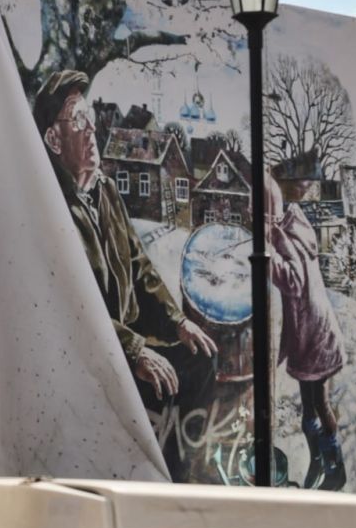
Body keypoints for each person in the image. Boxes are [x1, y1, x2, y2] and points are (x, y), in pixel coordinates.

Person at [32, 69, 218, 480]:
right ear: (54, 140)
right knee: (153, 390)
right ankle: (150, 481)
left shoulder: (106, 191)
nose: (91, 129)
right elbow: (71, 306)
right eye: (77, 119)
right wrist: (135, 352)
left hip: (126, 345)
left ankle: (177, 479)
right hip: (91, 360)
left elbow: (139, 266)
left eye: (90, 117)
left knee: (201, 358)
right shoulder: (49, 207)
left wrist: (177, 321)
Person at [266, 173, 348, 491]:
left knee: (319, 405)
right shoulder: (291, 228)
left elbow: (294, 281)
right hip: (309, 336)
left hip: (316, 339)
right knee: (310, 407)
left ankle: (335, 469)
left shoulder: (284, 238)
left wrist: (268, 258)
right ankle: (318, 458)